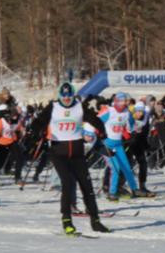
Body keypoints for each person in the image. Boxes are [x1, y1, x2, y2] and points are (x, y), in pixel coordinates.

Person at [27, 82, 110, 235]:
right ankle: (67, 220)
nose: (66, 98)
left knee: (87, 185)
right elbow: (38, 122)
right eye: (64, 95)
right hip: (59, 152)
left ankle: (95, 220)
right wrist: (37, 132)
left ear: (73, 95)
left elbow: (95, 119)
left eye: (69, 95)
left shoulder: (79, 107)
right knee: (68, 183)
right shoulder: (53, 107)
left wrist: (102, 131)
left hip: (77, 153)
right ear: (60, 95)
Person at [99, 92, 144, 201]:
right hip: (107, 144)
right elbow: (95, 122)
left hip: (118, 144)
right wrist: (100, 135)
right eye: (120, 101)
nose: (122, 104)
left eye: (124, 101)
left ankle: (134, 189)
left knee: (127, 167)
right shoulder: (108, 111)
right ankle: (112, 192)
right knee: (116, 169)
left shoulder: (126, 112)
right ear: (115, 101)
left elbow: (128, 126)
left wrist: (130, 135)